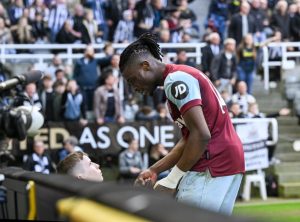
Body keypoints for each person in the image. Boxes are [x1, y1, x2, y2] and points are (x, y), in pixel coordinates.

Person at [119, 33, 245, 215]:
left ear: (145, 65)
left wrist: (172, 180)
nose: (134, 87)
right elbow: (189, 139)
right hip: (229, 160)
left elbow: (201, 136)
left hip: (212, 163)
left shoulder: (175, 81)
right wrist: (155, 169)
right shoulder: (181, 74)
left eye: (132, 80)